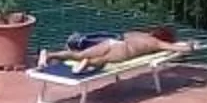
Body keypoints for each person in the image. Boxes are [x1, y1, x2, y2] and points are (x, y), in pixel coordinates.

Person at [44, 29, 177, 72]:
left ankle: (49, 54)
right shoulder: (157, 43)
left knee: (79, 54)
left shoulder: (140, 34)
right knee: (104, 59)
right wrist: (187, 46)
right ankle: (89, 63)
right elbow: (175, 47)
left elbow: (123, 35)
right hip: (124, 50)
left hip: (113, 41)